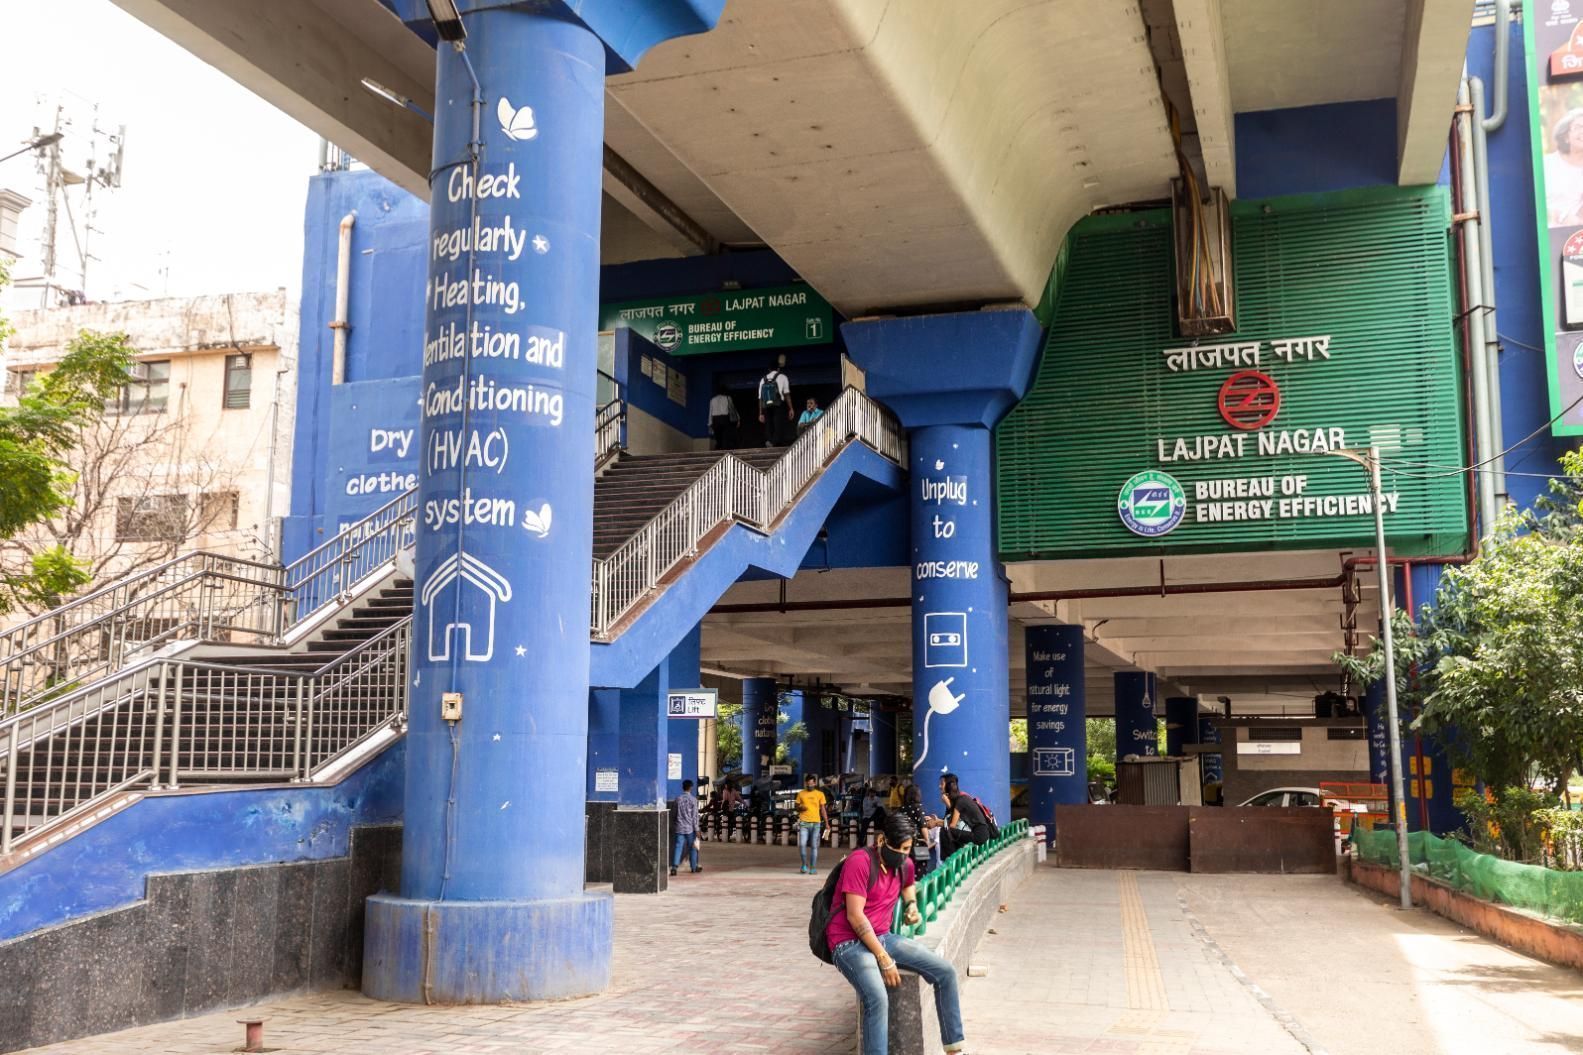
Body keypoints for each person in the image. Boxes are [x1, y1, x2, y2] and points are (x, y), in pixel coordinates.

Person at [825, 813, 968, 1055]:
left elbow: (908, 885)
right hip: (848, 942)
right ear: (882, 841)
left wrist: (912, 906)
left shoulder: (904, 864)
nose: (904, 854)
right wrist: (883, 958)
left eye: (908, 849)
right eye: (900, 848)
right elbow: (855, 916)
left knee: (945, 972)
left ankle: (954, 1048)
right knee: (877, 998)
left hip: (883, 936)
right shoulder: (859, 862)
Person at [937, 773, 994, 858]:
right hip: (974, 832)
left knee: (945, 830)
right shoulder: (956, 800)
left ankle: (950, 861)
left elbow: (952, 825)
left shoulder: (960, 800)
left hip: (979, 835)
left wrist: (936, 823)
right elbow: (948, 819)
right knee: (947, 829)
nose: (939, 786)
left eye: (942, 784)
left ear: (949, 786)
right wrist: (936, 821)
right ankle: (955, 860)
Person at [1548, 109, 1583, 225]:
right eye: (1578, 127)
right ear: (1565, 136)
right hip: (1548, 233)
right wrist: (1562, 216)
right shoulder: (1548, 164)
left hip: (1576, 237)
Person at [898, 783, 937, 878]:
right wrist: (927, 841)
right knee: (920, 872)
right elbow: (923, 827)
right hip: (918, 843)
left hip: (904, 844)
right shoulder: (918, 807)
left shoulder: (901, 809)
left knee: (905, 872)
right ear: (917, 795)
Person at [795, 772, 829, 874]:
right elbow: (796, 807)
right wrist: (800, 808)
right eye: (808, 783)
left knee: (814, 846)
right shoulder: (801, 794)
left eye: (811, 783)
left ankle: (813, 867)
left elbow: (823, 809)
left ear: (815, 783)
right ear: (805, 783)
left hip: (816, 824)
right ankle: (804, 865)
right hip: (804, 823)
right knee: (802, 844)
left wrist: (827, 822)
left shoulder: (820, 794)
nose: (809, 785)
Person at [758, 361, 792, 447]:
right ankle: (775, 443)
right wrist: (791, 408)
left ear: (769, 369)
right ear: (778, 368)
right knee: (779, 423)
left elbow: (760, 398)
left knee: (769, 424)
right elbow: (786, 393)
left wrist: (760, 413)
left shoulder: (763, 379)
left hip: (766, 405)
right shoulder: (783, 377)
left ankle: (770, 441)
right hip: (778, 404)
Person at [671, 779, 701, 876]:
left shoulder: (677, 799)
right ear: (691, 788)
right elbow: (695, 816)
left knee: (678, 847)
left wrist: (675, 823)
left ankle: (674, 867)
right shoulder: (693, 800)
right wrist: (697, 829)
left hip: (679, 828)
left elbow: (673, 814)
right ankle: (693, 867)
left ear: (682, 787)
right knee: (693, 848)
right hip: (690, 829)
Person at [708, 384, 740, 450]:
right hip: (725, 419)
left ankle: (718, 449)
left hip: (715, 420)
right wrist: (738, 419)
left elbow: (710, 412)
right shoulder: (728, 398)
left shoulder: (712, 400)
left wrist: (710, 423)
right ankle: (725, 450)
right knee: (726, 437)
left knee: (718, 438)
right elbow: (732, 409)